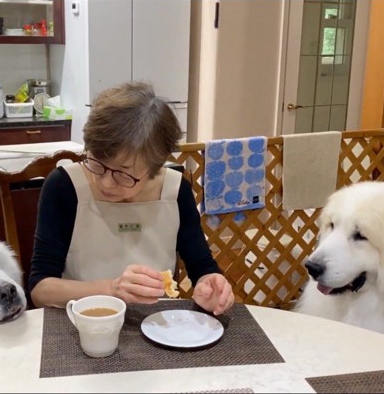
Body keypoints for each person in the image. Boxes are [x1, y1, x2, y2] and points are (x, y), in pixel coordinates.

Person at [28, 81, 235, 315]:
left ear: (155, 166)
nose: (105, 182)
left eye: (123, 173)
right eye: (97, 162)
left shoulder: (175, 191)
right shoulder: (65, 187)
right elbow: (40, 289)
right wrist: (112, 289)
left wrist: (210, 284)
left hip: (157, 325)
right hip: (82, 323)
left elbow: (202, 267)